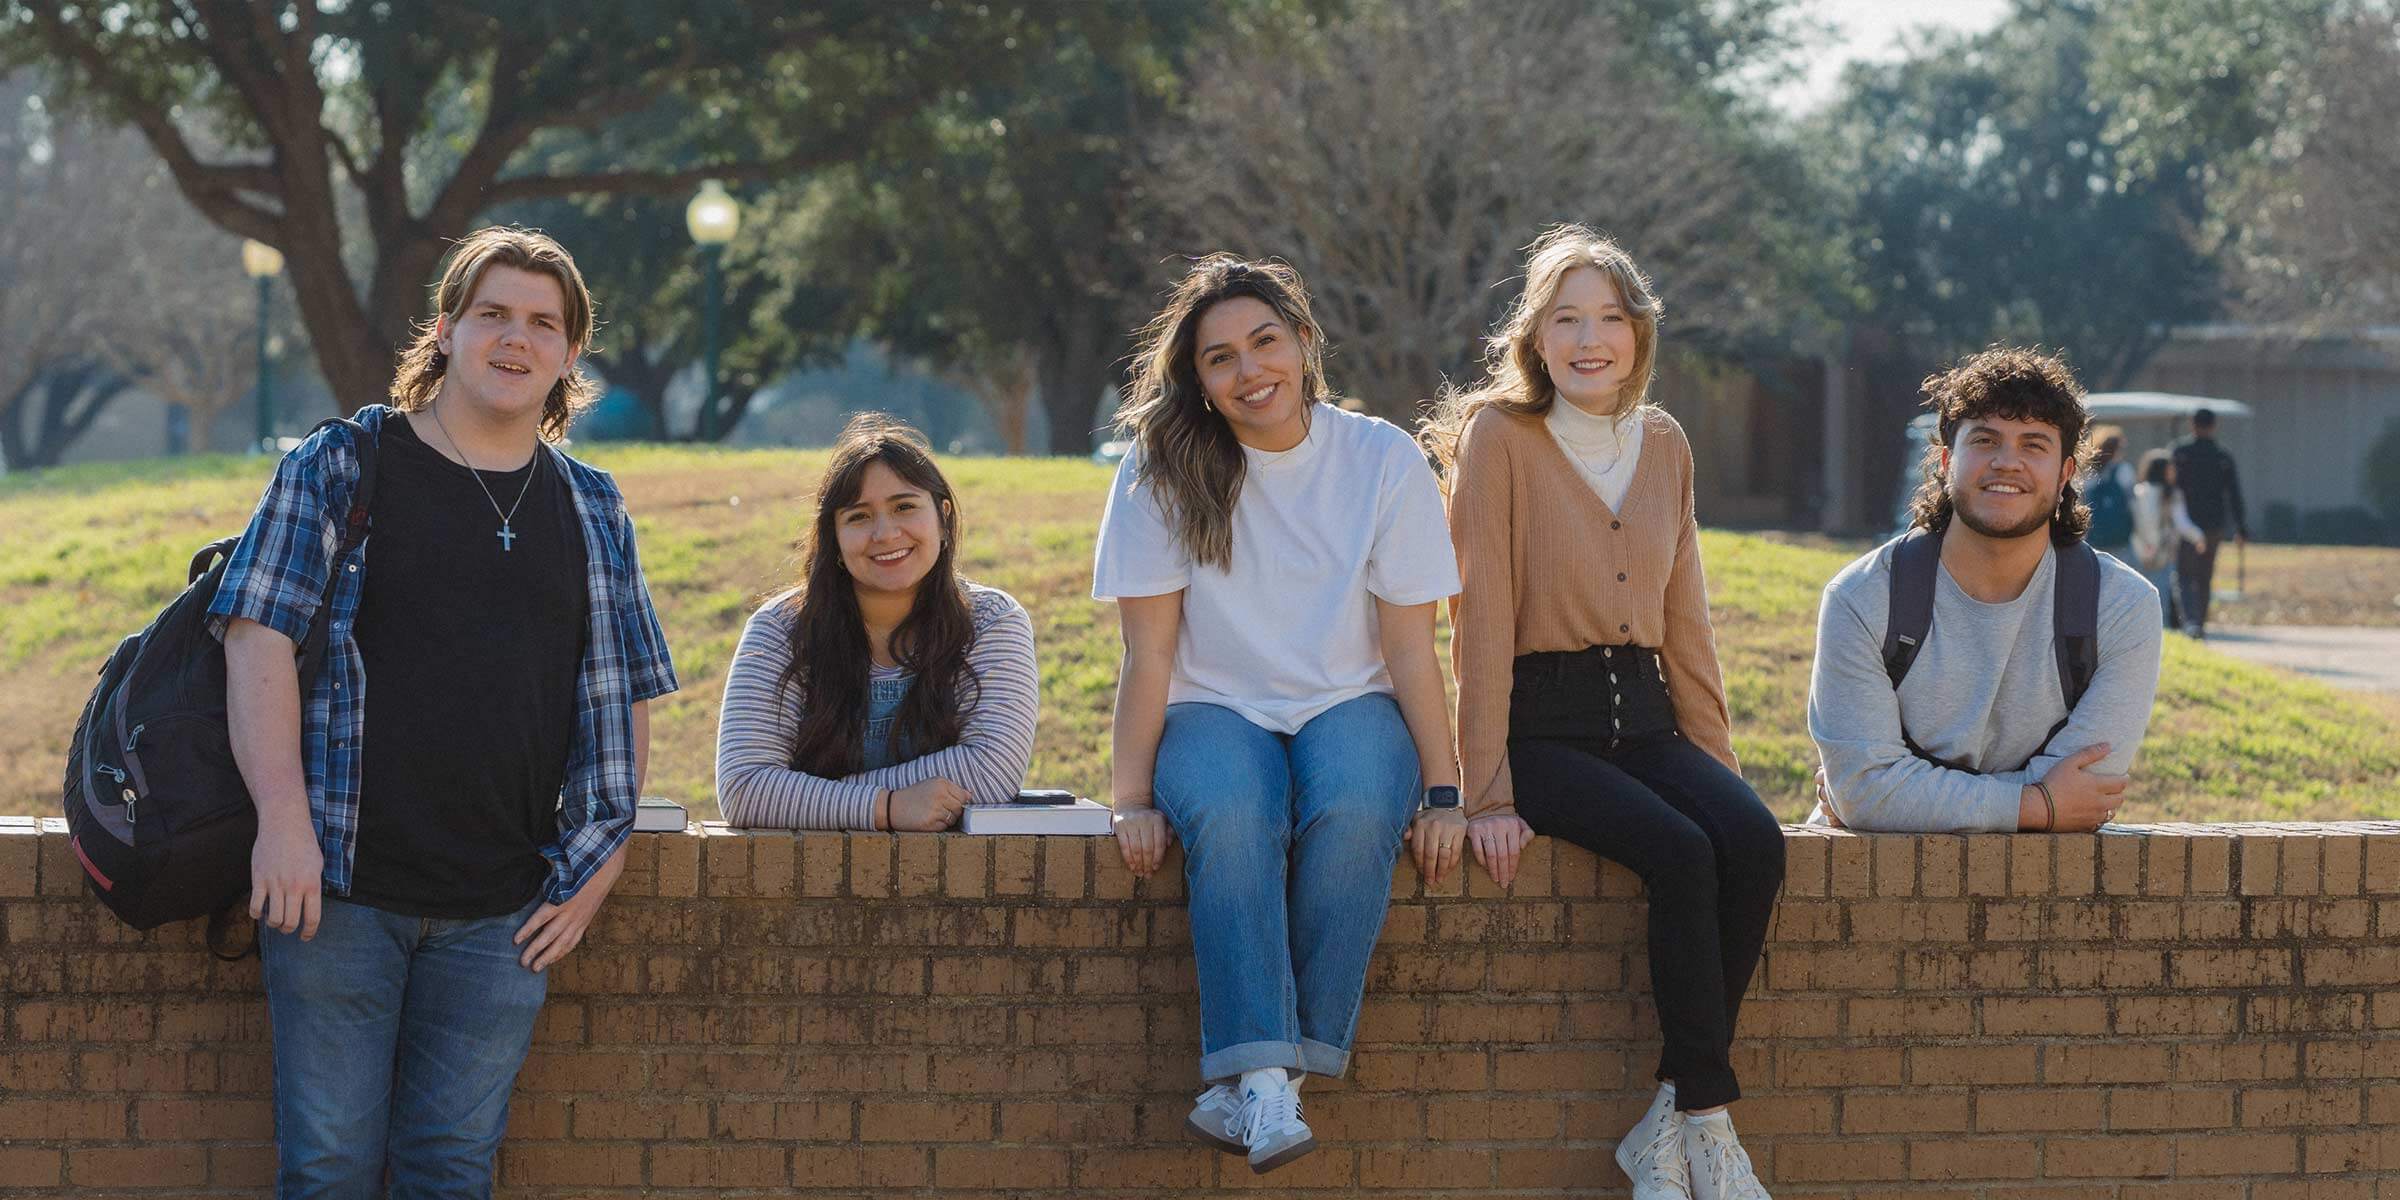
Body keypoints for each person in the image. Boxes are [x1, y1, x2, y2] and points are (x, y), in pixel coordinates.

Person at [213, 226, 677, 1196]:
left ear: (569, 354)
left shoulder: (593, 507)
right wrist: (283, 825)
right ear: (448, 329)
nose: (517, 339)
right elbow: (256, 637)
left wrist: (603, 857)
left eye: (542, 323)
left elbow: (626, 686)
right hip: (336, 893)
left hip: (503, 911)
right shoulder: (345, 465)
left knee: (450, 1169)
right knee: (330, 1168)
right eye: (493, 314)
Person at [1422, 225, 1785, 1200]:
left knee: (1748, 840)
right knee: (1679, 854)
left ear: (1639, 332)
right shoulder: (1502, 437)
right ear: (1535, 338)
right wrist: (1487, 790)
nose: (1591, 339)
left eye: (1610, 318)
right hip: (1545, 730)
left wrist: (1716, 768)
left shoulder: (1663, 442)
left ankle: (1668, 1121)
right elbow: (1480, 622)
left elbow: (1688, 622)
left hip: (1652, 721)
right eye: (1566, 319)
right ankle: (1709, 1128)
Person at [1094, 255, 1465, 1175]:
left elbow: (1414, 649)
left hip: (1352, 700)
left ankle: (1264, 1080)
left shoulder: (1380, 458)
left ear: (1304, 342)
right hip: (1212, 707)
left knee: (1360, 801)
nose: (1249, 369)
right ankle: (1268, 1077)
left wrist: (1449, 791)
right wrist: (1130, 796)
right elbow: (1149, 654)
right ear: (1199, 381)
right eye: (1220, 358)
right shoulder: (1161, 469)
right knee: (1232, 811)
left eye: (1265, 340)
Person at [1808, 347, 2163, 838]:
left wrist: (1899, 794)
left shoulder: (2122, 607)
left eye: (2034, 445)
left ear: (2065, 474)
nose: (2006, 462)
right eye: (1985, 439)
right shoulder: (1863, 596)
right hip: (1867, 891)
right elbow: (1866, 793)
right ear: (1947, 460)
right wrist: (2040, 805)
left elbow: (2089, 787)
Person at [716, 414, 1038, 830]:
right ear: (833, 537)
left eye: (904, 507)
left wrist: (807, 796)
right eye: (859, 517)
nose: (885, 533)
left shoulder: (993, 623)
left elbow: (992, 769)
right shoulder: (779, 630)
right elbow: (745, 790)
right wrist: (888, 806)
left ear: (943, 518)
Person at [2170, 407, 2248, 637]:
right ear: (2214, 426)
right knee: (2204, 576)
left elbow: (2171, 487)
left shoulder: (2180, 452)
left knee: (2185, 575)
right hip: (2214, 524)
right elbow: (2234, 493)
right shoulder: (2222, 456)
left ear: (2192, 425)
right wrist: (2241, 527)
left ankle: (2189, 621)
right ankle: (2200, 623)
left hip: (2185, 522)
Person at [2131, 448, 2207, 629]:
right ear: (2164, 471)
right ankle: (2161, 636)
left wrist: (2146, 544)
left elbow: (2137, 522)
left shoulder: (2139, 491)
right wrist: (2199, 537)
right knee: (2160, 598)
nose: (2174, 472)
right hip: (2163, 553)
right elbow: (2182, 524)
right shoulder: (2172, 494)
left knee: (2135, 598)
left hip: (2138, 551)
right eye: (2171, 468)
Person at [2082, 429, 2136, 566]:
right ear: (2117, 450)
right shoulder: (2123, 470)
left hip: (2094, 536)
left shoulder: (2088, 472)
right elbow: (2133, 503)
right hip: (2120, 538)